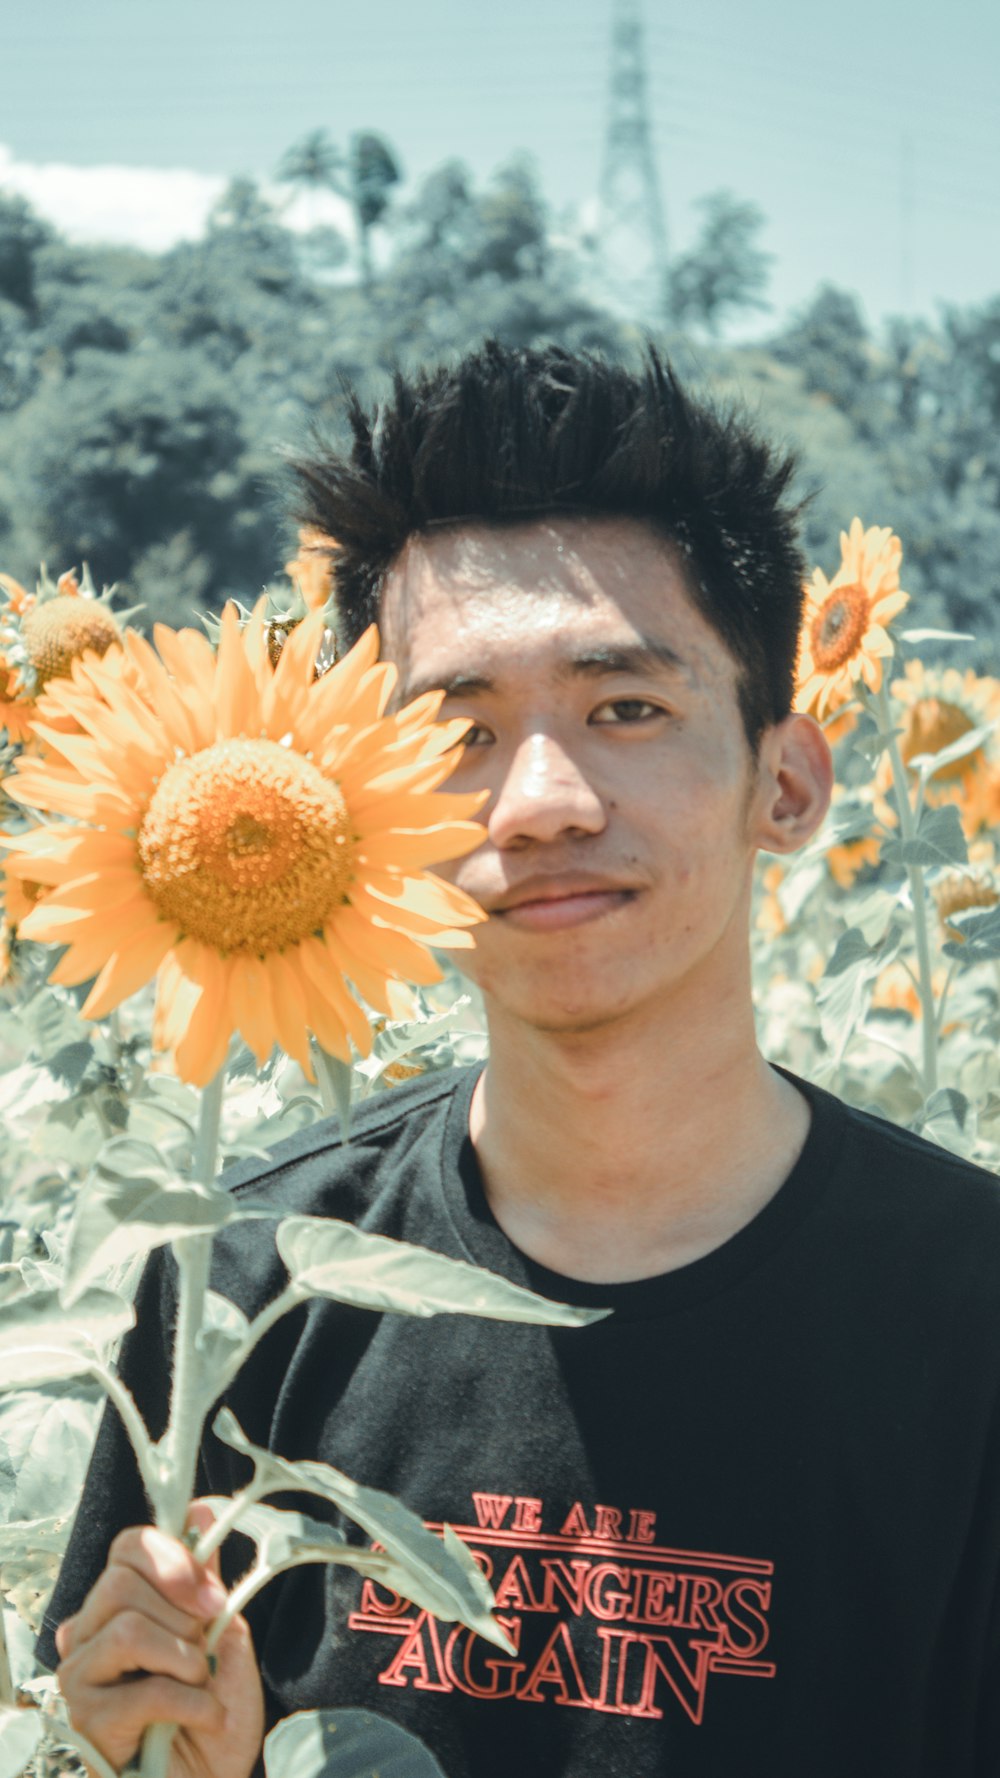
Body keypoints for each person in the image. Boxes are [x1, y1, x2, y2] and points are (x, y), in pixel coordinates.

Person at [39, 343, 1000, 1778]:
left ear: (786, 779)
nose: (541, 800)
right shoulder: (248, 1285)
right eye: (459, 729)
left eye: (625, 707)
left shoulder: (970, 1319)